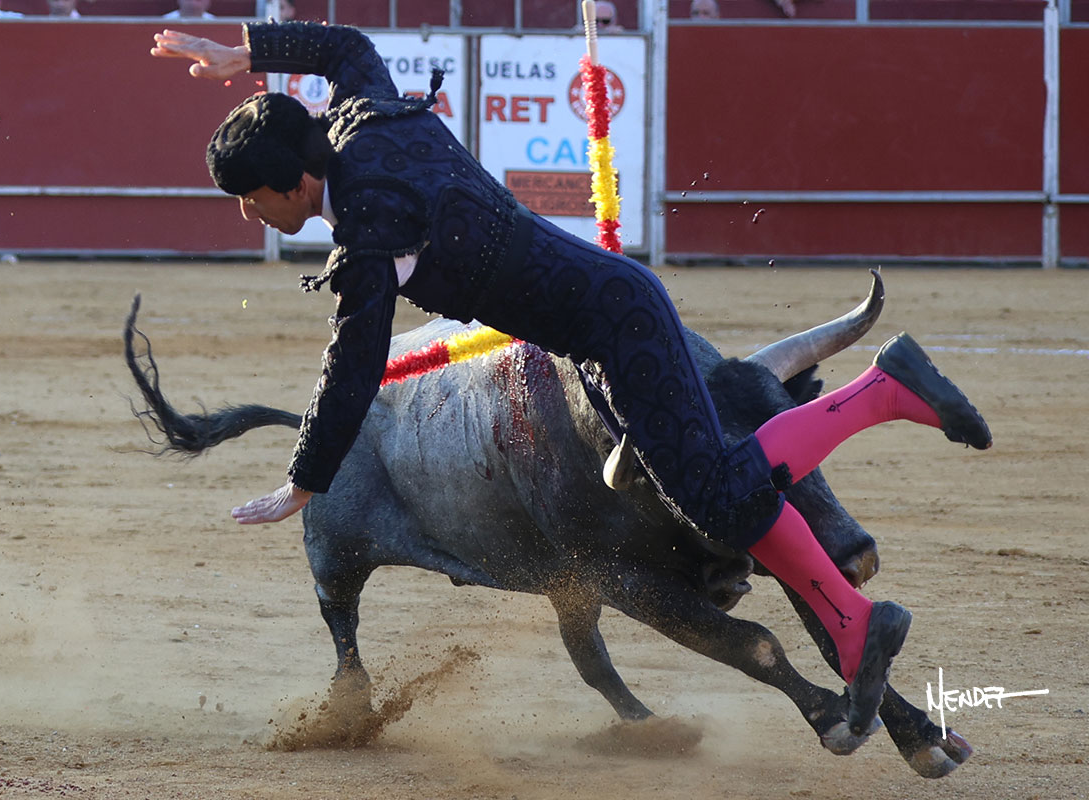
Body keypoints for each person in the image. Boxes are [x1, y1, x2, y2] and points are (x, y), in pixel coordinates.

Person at [150, 21, 992, 739]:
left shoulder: (368, 231)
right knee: (726, 491)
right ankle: (853, 624)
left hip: (611, 332)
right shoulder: (367, 119)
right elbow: (350, 47)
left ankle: (888, 389)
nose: (247, 215)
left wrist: (306, 480)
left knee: (722, 497)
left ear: (291, 183)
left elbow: (352, 367)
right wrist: (245, 50)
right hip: (605, 326)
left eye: (249, 199)